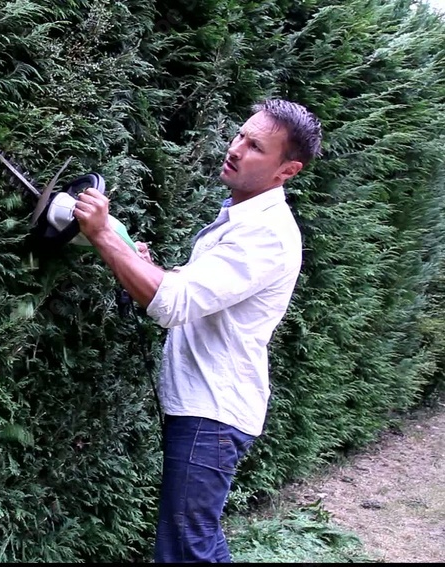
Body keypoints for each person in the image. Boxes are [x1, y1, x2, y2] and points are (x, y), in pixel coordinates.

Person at [72, 99, 323, 563]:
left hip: (213, 413)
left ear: (286, 170)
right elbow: (193, 293)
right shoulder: (242, 218)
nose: (236, 148)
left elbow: (174, 304)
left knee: (186, 551)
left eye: (255, 147)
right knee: (196, 543)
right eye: (240, 135)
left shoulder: (265, 233)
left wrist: (104, 236)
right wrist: (144, 268)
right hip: (207, 409)